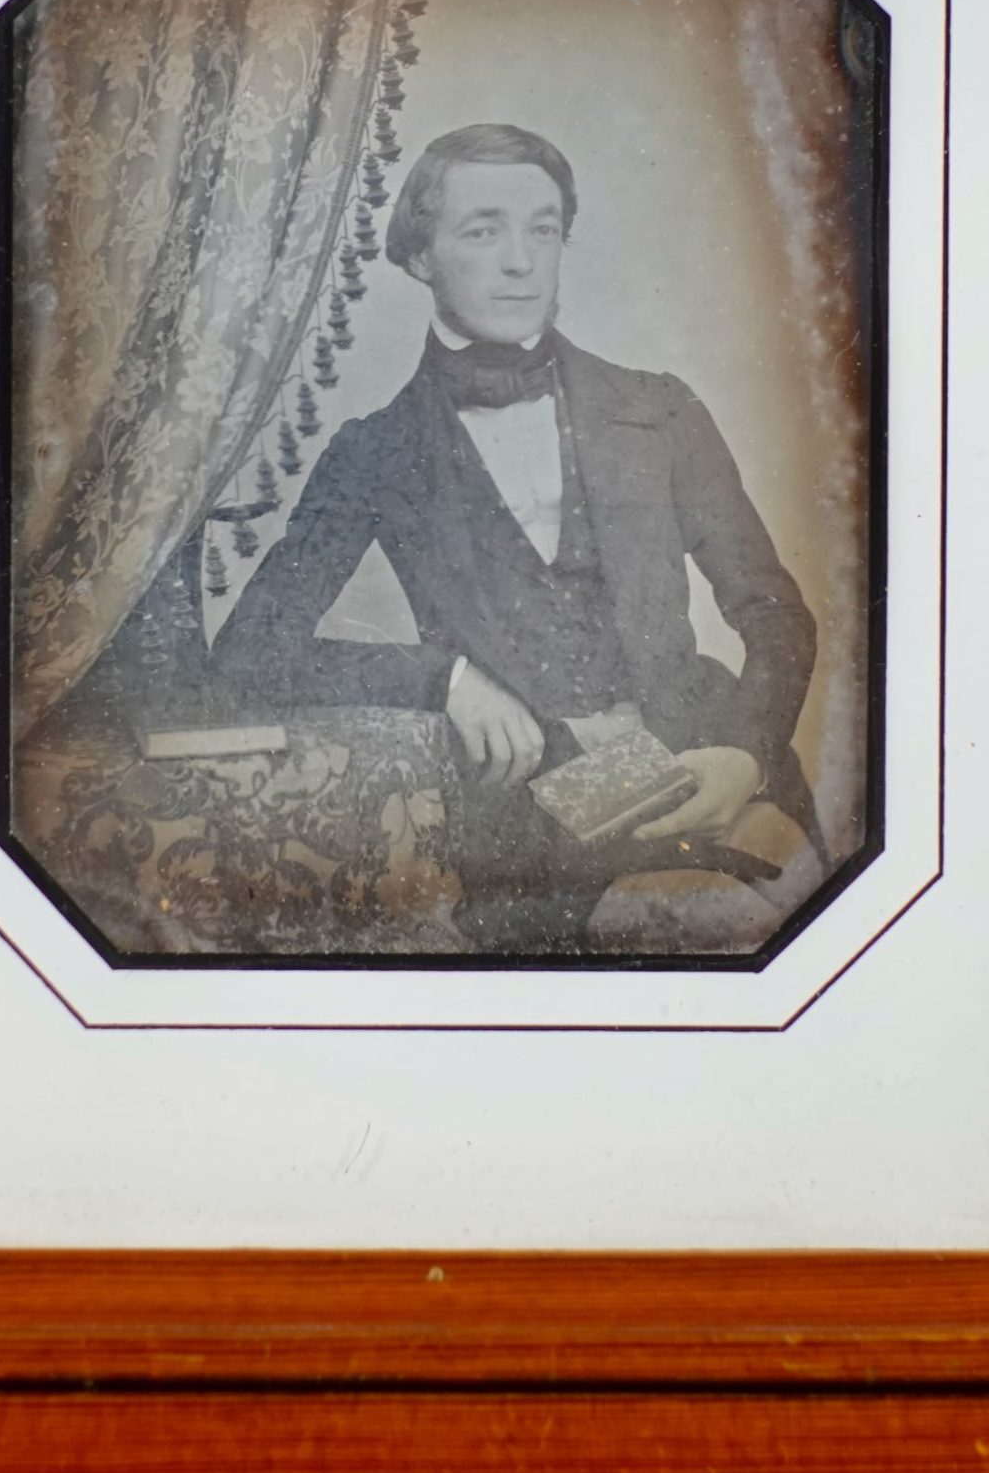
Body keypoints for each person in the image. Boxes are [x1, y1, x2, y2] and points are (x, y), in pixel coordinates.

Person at [211, 121, 826, 954]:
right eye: (482, 231)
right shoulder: (374, 450)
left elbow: (776, 614)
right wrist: (444, 678)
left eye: (542, 230)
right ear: (418, 256)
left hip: (709, 758)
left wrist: (747, 754)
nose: (520, 262)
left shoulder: (660, 409)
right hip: (533, 822)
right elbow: (249, 651)